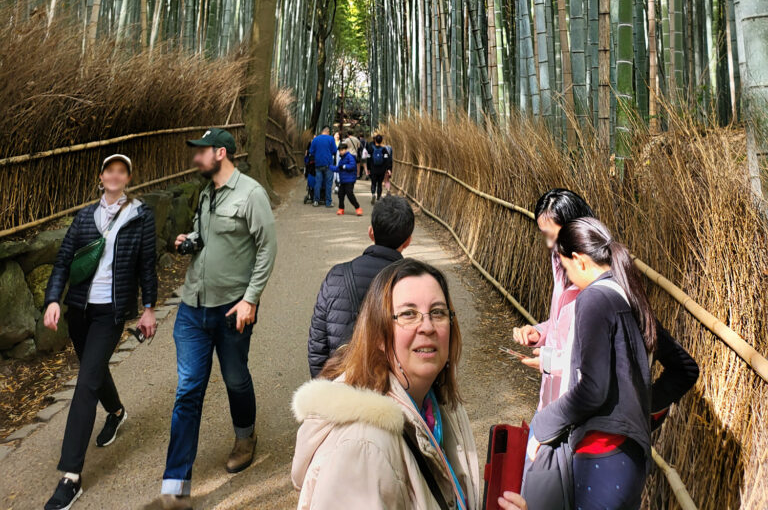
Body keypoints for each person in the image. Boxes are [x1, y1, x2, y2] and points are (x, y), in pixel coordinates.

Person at [527, 217, 699, 510]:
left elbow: (593, 388)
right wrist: (639, 405)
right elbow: (685, 369)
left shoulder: (593, 299)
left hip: (600, 453)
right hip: (630, 456)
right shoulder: (633, 299)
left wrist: (542, 424)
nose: (570, 278)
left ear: (579, 261)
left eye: (567, 269)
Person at [294, 258, 484, 509]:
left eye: (438, 312)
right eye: (408, 314)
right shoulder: (363, 448)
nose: (427, 326)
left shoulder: (439, 407)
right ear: (379, 334)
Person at [160, 128, 277, 510]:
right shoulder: (207, 192)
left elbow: (266, 249)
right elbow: (206, 235)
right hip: (193, 305)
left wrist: (251, 299)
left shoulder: (252, 195)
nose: (195, 158)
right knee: (189, 389)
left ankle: (245, 436)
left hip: (231, 308)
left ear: (221, 153)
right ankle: (176, 486)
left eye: (201, 152)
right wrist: (189, 239)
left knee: (235, 378)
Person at [41, 154, 157, 510]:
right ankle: (118, 412)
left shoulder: (141, 216)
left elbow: (147, 265)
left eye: (122, 170)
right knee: (94, 369)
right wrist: (52, 300)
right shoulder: (85, 217)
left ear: (128, 177)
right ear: (102, 176)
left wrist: (149, 308)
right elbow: (63, 261)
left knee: (85, 383)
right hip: (79, 310)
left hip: (111, 312)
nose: (115, 175)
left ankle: (70, 477)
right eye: (110, 170)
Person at [307, 195, 415, 377]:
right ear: (408, 241)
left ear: (371, 232)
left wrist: (324, 386)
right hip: (395, 389)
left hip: (343, 383)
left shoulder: (337, 275)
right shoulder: (415, 283)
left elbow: (317, 344)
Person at [513, 188, 594, 406]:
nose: (550, 245)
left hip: (578, 401)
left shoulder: (597, 281)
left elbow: (594, 358)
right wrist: (537, 332)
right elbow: (559, 324)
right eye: (545, 235)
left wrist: (549, 361)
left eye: (554, 236)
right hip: (551, 396)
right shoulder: (560, 264)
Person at [308, 125, 337, 208]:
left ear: (322, 131)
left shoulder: (316, 139)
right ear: (328, 131)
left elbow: (311, 151)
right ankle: (328, 202)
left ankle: (316, 201)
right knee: (328, 183)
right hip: (328, 163)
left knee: (318, 182)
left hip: (318, 164)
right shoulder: (331, 139)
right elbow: (334, 150)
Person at [336, 141, 362, 216]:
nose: (341, 152)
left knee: (349, 194)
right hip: (343, 180)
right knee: (340, 194)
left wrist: (344, 166)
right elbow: (339, 168)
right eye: (340, 150)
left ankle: (358, 208)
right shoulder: (342, 159)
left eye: (342, 150)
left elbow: (352, 166)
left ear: (346, 150)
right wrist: (331, 167)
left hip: (350, 179)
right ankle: (341, 209)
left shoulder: (349, 157)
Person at [369, 133, 392, 204]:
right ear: (381, 141)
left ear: (375, 140)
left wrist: (368, 168)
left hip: (373, 169)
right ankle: (378, 197)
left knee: (373, 183)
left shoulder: (371, 148)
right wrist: (388, 169)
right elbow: (387, 160)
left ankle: (373, 194)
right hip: (381, 169)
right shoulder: (384, 149)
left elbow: (368, 159)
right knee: (379, 184)